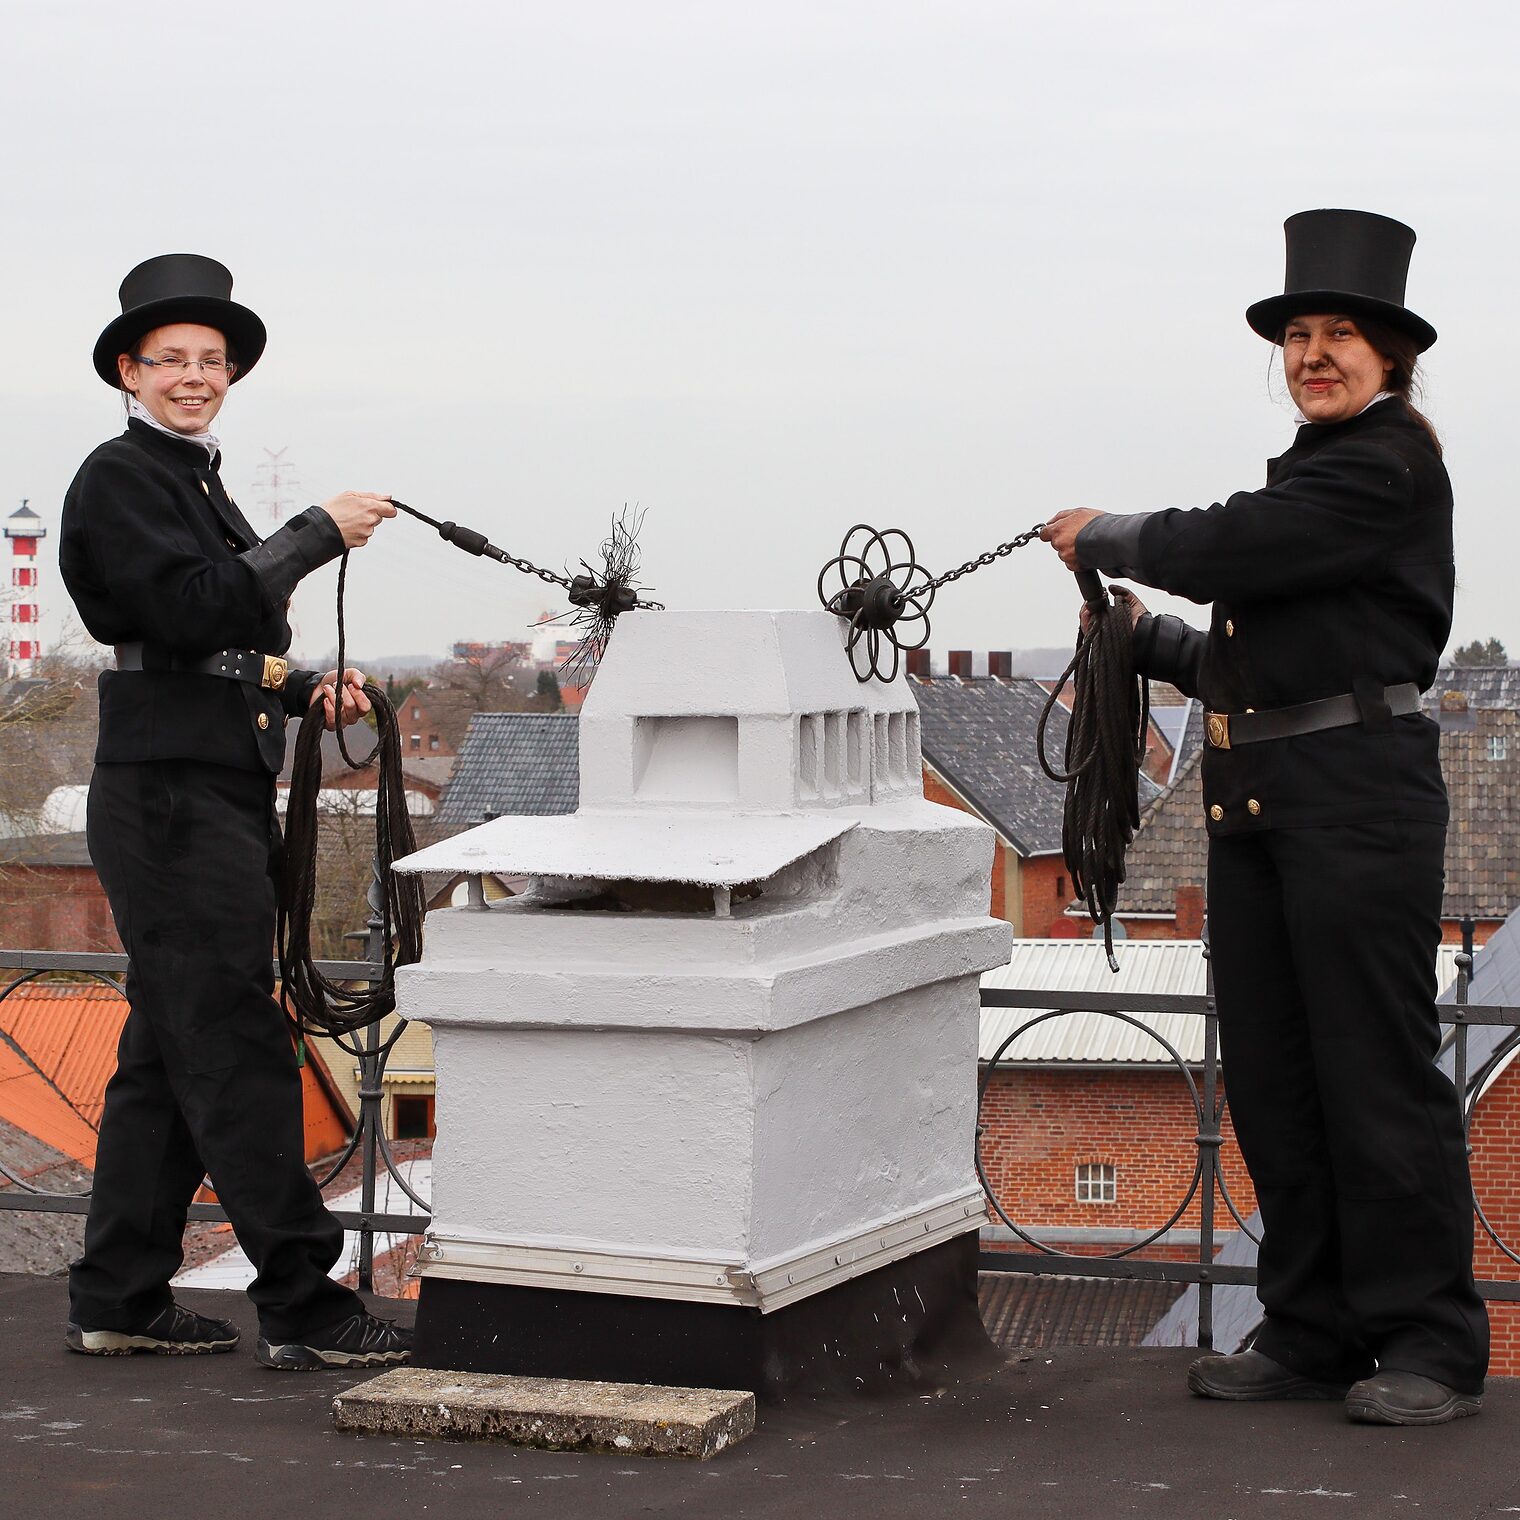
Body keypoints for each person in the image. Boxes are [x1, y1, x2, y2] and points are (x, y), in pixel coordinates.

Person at [1042, 209, 1488, 1426]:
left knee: (1373, 1076)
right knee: (1281, 1085)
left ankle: (1428, 1341)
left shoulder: (1386, 463)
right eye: (1298, 333)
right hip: (1260, 805)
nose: (1313, 353)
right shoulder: (1315, 473)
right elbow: (1272, 644)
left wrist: (1114, 532)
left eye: (1339, 333)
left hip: (1353, 806)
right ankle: (1308, 1328)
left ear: (1389, 359)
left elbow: (1245, 546)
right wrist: (1150, 638)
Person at [59, 254, 409, 1370]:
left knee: (170, 1050)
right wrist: (314, 529)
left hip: (199, 777)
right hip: (168, 797)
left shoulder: (188, 480)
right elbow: (200, 599)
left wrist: (304, 687)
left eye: (212, 361)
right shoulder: (120, 476)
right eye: (172, 359)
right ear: (130, 368)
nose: (195, 376)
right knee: (237, 1040)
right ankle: (305, 1304)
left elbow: (211, 641)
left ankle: (119, 1292)